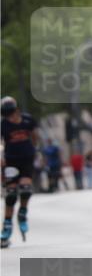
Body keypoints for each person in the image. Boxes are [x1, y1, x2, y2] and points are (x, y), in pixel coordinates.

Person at [1, 97, 40, 248]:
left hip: (26, 159)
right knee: (10, 195)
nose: (9, 117)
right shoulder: (3, 125)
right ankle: (6, 227)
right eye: (6, 114)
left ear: (16, 110)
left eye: (10, 113)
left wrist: (36, 150)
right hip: (10, 160)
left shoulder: (28, 120)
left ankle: (22, 212)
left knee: (25, 190)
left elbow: (34, 135)